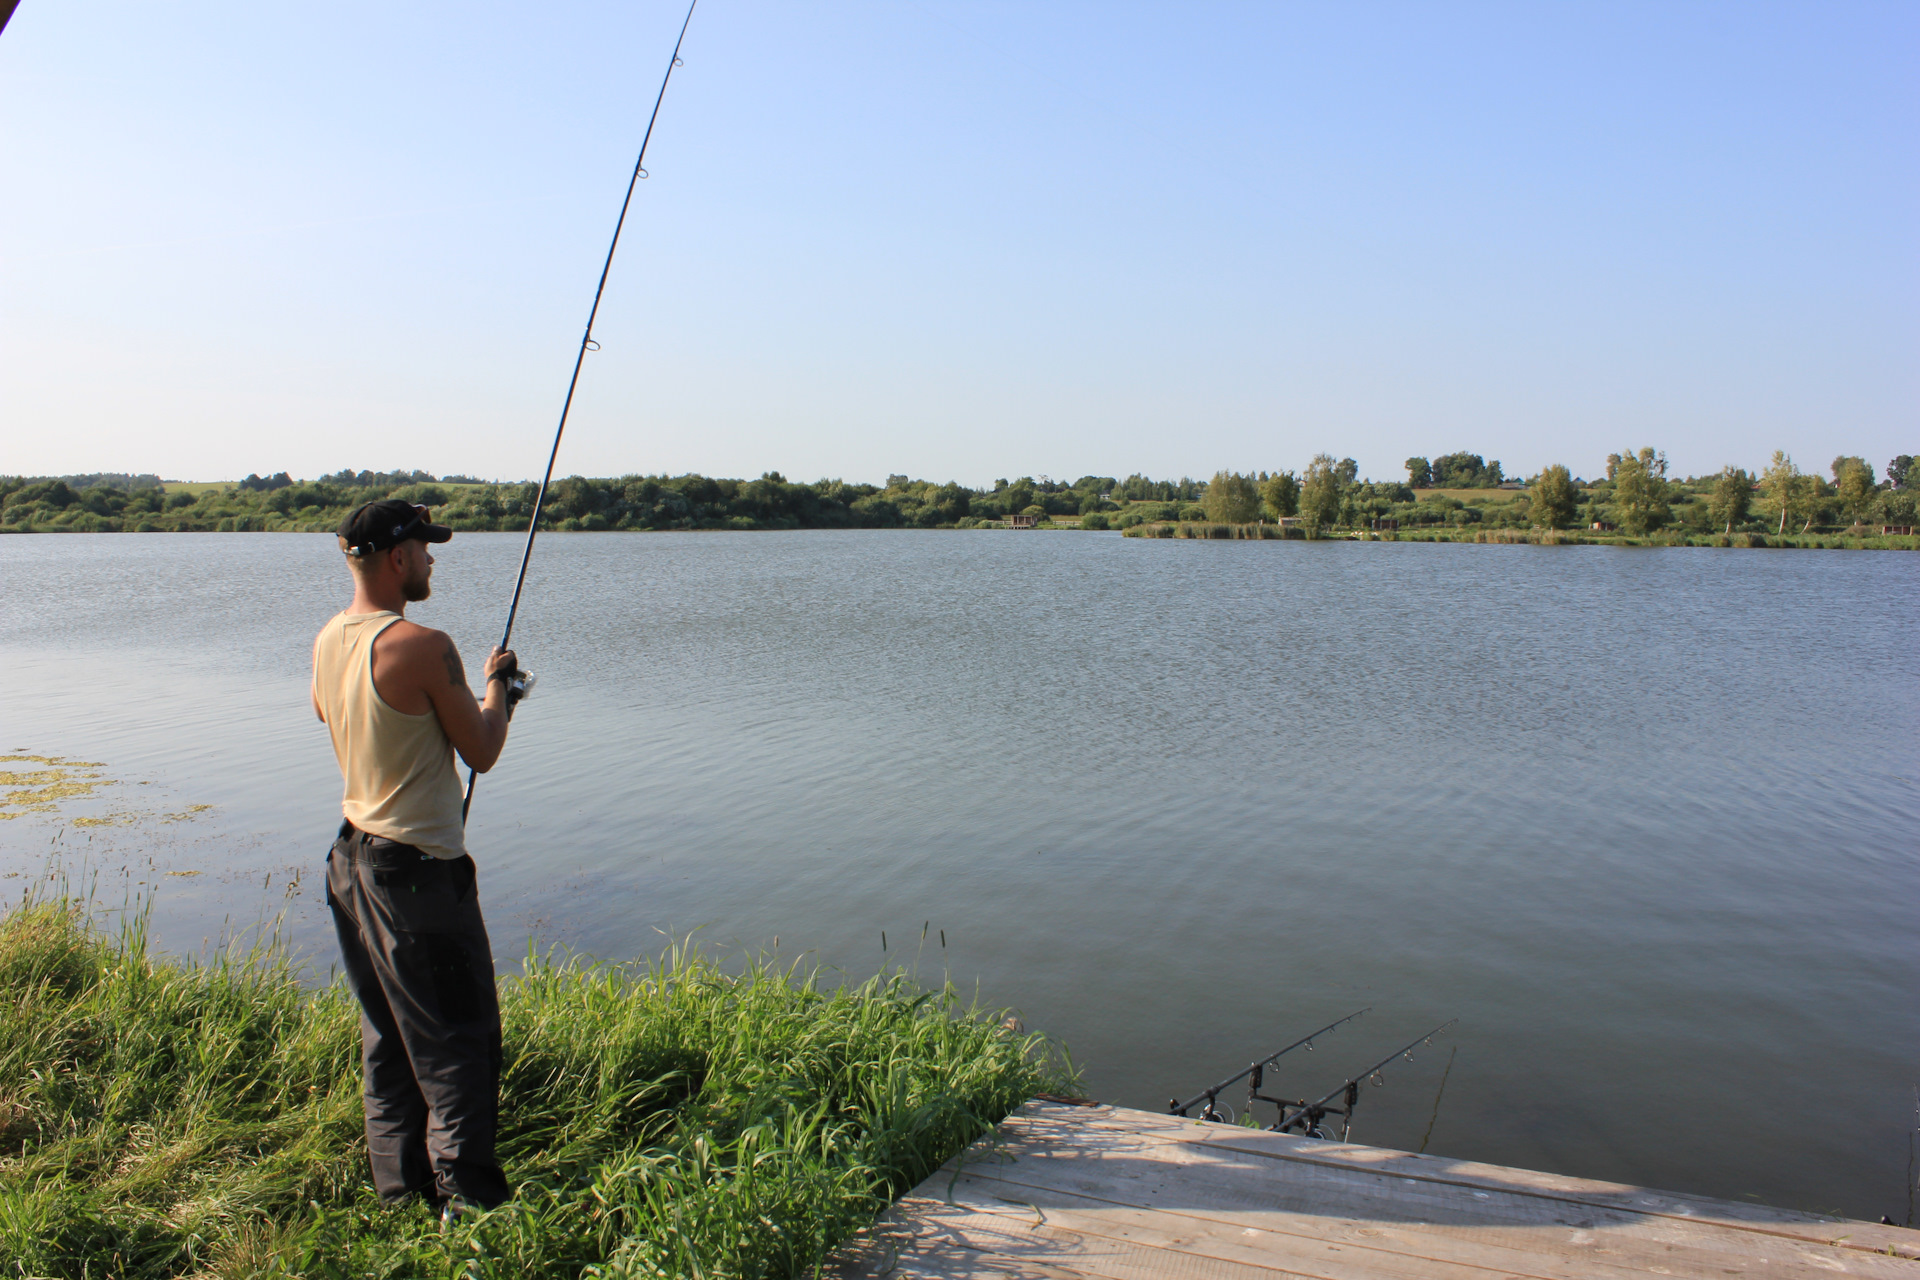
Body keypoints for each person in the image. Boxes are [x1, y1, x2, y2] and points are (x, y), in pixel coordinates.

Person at [310, 498, 521, 1215]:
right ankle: (470, 1211)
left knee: (389, 1038)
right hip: (417, 877)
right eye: (426, 548)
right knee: (459, 1043)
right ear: (397, 558)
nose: (432, 559)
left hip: (351, 864)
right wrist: (500, 688)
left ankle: (401, 1198)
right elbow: (481, 750)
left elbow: (325, 709)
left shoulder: (329, 638)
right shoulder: (423, 645)